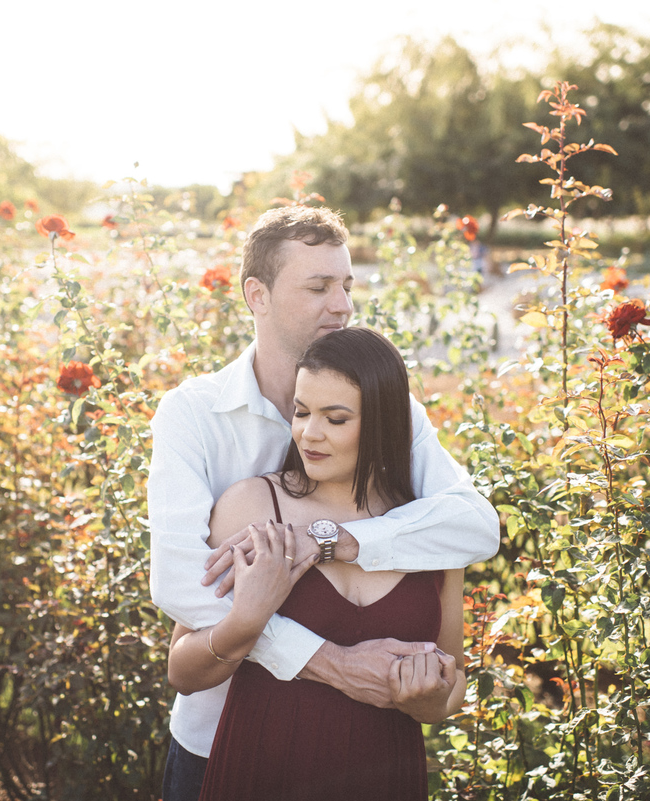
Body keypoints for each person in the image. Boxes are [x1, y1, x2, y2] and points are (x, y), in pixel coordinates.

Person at [148, 205, 499, 801]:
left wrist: (336, 540)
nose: (341, 305)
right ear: (255, 295)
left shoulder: (392, 414)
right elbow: (184, 586)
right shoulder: (193, 416)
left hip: (369, 759)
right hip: (223, 745)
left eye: (346, 285)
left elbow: (473, 526)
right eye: (318, 287)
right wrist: (332, 662)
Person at [169, 327, 468, 800]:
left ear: (383, 424)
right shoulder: (253, 507)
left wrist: (430, 701)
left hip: (383, 776)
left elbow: (453, 684)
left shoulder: (428, 527)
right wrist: (247, 620)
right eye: (301, 412)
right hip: (262, 771)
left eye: (336, 418)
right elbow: (183, 671)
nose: (310, 433)